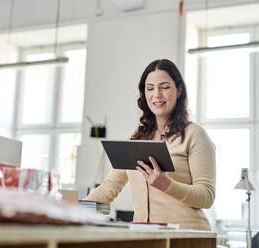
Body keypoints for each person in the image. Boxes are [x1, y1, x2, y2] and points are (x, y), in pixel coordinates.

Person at [85, 59, 216, 231]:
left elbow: (206, 196)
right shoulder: (135, 138)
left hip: (186, 237)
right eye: (150, 88)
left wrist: (168, 185)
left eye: (165, 87)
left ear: (179, 90)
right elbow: (108, 189)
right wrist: (67, 211)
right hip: (144, 237)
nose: (157, 95)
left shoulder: (195, 135)